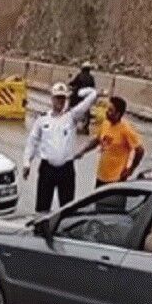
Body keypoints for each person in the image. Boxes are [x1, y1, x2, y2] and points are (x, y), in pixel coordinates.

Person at [23, 82, 98, 212]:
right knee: (42, 207)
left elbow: (91, 98)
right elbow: (32, 141)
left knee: (68, 208)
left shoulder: (71, 116)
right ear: (52, 99)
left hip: (66, 170)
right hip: (47, 169)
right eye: (58, 97)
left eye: (63, 98)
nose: (60, 101)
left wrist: (83, 92)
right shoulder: (42, 119)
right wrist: (27, 163)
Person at [75, 96, 145, 187]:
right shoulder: (105, 123)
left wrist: (131, 169)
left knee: (111, 201)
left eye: (111, 110)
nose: (107, 112)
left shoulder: (126, 130)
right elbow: (97, 140)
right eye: (108, 109)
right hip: (101, 176)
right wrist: (82, 151)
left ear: (118, 114)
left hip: (116, 179)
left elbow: (140, 150)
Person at [68, 62, 96, 134]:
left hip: (78, 96)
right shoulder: (91, 77)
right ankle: (86, 127)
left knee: (71, 106)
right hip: (87, 96)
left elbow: (73, 82)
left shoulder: (79, 75)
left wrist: (70, 84)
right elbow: (93, 87)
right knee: (88, 109)